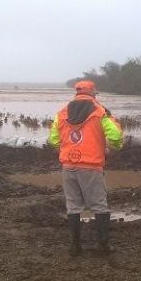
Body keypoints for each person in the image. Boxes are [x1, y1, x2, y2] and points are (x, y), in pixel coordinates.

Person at [50, 80, 123, 256]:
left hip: (68, 166)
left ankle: (75, 247)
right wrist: (113, 148)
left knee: (73, 206)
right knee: (99, 206)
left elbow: (53, 139)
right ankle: (103, 246)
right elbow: (115, 134)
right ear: (92, 93)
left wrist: (65, 151)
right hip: (91, 166)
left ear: (77, 93)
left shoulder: (62, 112)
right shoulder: (99, 111)